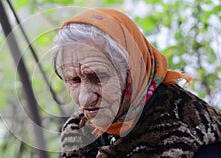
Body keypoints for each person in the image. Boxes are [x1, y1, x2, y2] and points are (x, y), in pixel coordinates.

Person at [51, 8, 221, 157]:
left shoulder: (192, 133)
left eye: (99, 77)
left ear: (133, 70)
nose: (84, 99)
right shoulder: (78, 132)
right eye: (74, 80)